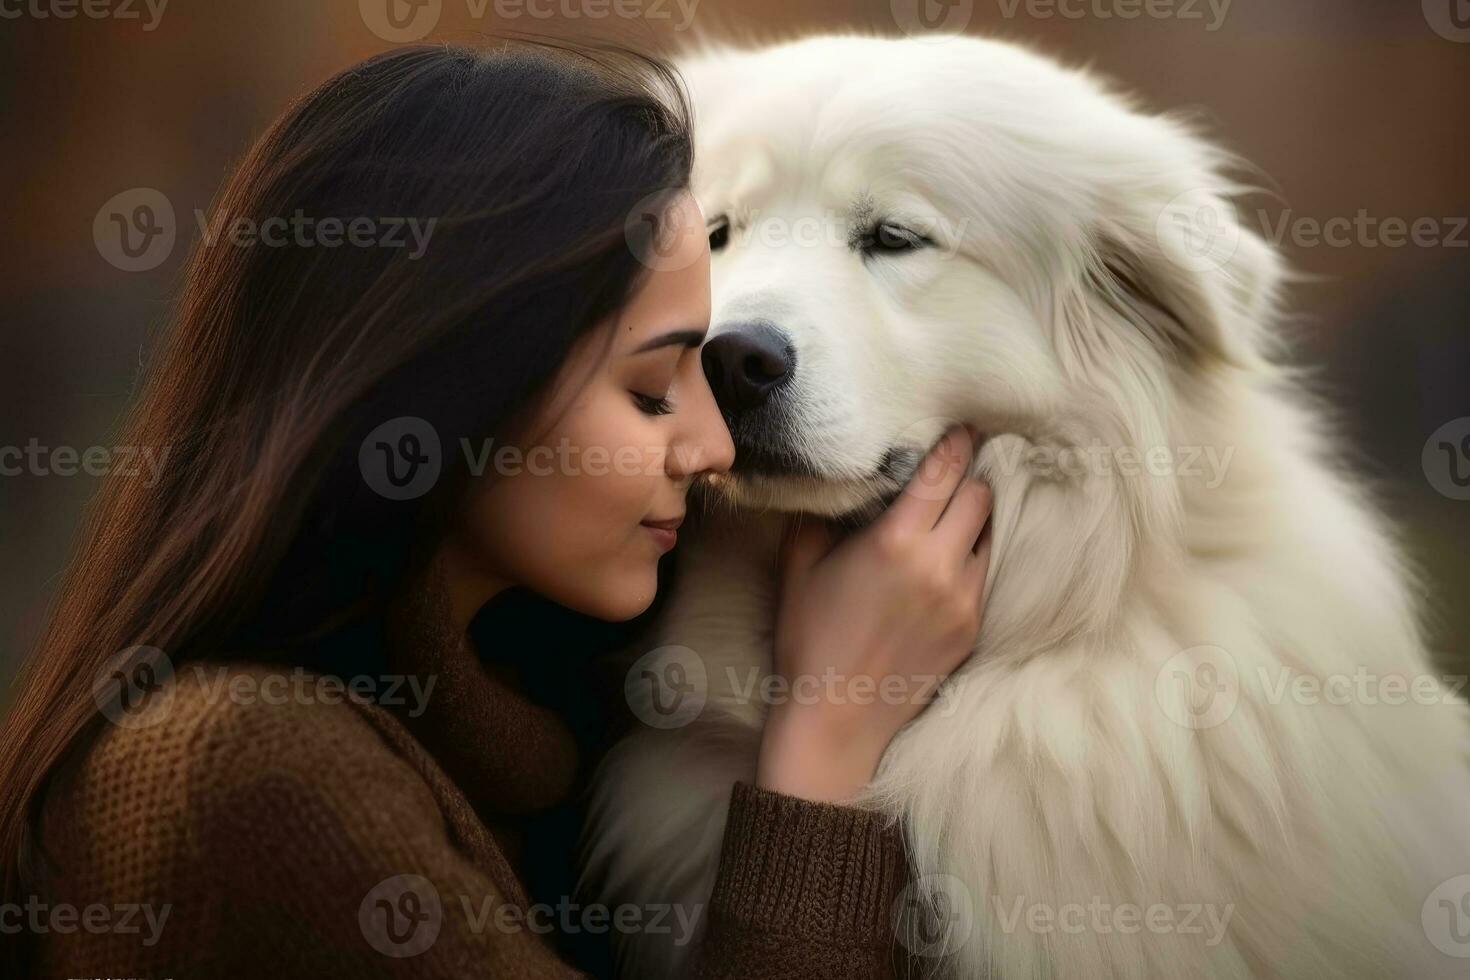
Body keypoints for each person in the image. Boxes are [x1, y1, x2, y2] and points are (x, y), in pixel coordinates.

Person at [0, 41, 993, 978]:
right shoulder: (244, 775)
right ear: (457, 380)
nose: (713, 449)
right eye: (650, 392)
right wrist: (822, 739)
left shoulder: (531, 727)